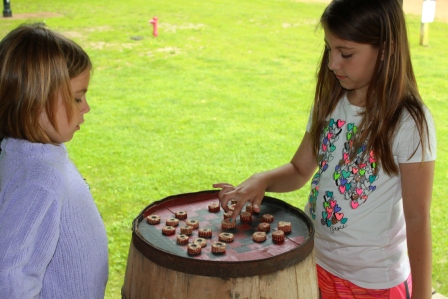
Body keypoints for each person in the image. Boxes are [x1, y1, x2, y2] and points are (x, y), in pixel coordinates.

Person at [213, 0, 436, 298]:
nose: (332, 64)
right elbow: (300, 169)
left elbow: (418, 217)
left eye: (345, 53)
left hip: (373, 283)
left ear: (386, 49)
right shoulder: (330, 102)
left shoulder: (409, 122)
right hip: (312, 262)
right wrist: (262, 180)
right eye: (329, 49)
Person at [0, 23, 108, 298]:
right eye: (76, 98)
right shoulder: (40, 178)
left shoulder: (34, 154)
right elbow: (11, 279)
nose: (86, 107)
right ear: (36, 102)